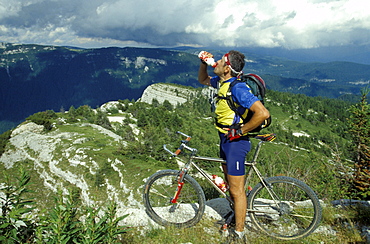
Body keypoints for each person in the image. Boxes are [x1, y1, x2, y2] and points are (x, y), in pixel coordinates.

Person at [198, 50, 270, 242]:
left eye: (220, 61)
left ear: (227, 68)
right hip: (225, 139)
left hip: (236, 143)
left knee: (237, 191)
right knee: (231, 185)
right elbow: (203, 79)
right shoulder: (222, 83)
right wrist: (203, 62)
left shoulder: (237, 88)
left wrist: (241, 130)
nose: (217, 63)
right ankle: (234, 218)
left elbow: (263, 113)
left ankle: (239, 233)